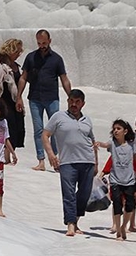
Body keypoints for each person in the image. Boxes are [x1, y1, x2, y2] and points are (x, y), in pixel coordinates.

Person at [42, 89, 98, 237]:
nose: (74, 104)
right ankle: (70, 224)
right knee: (68, 194)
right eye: (71, 100)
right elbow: (45, 134)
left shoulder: (87, 120)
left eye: (77, 101)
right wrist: (51, 155)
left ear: (83, 104)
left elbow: (92, 142)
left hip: (87, 160)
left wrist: (96, 163)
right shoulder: (58, 117)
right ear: (67, 101)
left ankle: (76, 220)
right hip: (67, 161)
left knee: (84, 194)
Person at [16, 29, 72, 171]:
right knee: (38, 130)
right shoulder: (31, 57)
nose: (42, 45)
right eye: (39, 43)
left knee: (55, 129)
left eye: (44, 43)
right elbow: (23, 77)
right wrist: (18, 97)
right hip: (35, 98)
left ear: (50, 41)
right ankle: (41, 161)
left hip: (52, 98)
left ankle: (53, 157)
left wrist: (71, 96)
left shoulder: (57, 59)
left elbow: (64, 79)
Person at [95, 119, 136, 241]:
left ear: (125, 131)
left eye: (118, 129)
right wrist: (98, 144)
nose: (116, 131)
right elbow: (105, 144)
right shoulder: (112, 143)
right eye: (114, 129)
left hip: (129, 181)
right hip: (116, 180)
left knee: (130, 206)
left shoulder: (132, 145)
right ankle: (117, 229)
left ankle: (123, 226)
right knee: (117, 204)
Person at [0, 38, 26, 151]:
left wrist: (19, 99)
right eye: (17, 51)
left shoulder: (15, 65)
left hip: (14, 101)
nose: (19, 54)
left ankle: (10, 155)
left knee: (17, 129)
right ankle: (4, 156)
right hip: (3, 102)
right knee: (6, 128)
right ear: (10, 50)